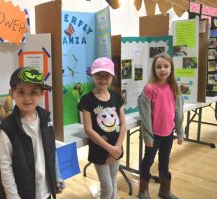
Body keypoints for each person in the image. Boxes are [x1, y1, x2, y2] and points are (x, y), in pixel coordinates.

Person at [0, 67, 64, 199]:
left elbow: (51, 150)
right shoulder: (8, 127)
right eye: (21, 92)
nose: (27, 98)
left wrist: (56, 176)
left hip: (44, 192)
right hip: (22, 194)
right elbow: (5, 167)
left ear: (42, 94)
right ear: (12, 93)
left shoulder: (45, 119)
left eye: (33, 92)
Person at [78, 57, 126, 199]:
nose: (103, 80)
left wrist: (116, 148)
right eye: (99, 76)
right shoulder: (86, 100)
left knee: (113, 183)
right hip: (99, 150)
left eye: (106, 76)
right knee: (107, 187)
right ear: (93, 76)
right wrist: (110, 149)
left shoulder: (117, 97)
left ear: (112, 77)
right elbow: (89, 129)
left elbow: (123, 124)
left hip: (117, 148)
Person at [137, 53, 184, 199]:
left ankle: (164, 190)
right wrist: (147, 136)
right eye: (159, 67)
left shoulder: (174, 88)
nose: (162, 70)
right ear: (154, 69)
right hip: (153, 135)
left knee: (165, 161)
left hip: (168, 134)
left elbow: (178, 111)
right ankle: (143, 190)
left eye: (166, 66)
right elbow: (145, 115)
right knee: (148, 161)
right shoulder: (149, 88)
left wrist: (180, 132)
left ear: (171, 68)